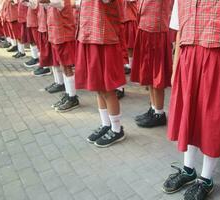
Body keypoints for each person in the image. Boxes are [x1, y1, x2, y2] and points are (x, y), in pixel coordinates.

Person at [163, 1, 220, 199]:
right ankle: (188, 170)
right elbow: (180, 30)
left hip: (218, 57)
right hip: (188, 58)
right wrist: (175, 67)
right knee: (189, 115)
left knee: (212, 118)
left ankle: (206, 179)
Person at [75, 0, 126, 147]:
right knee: (98, 87)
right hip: (88, 37)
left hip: (105, 40)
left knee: (107, 89)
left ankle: (116, 129)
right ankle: (106, 124)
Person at [130, 0, 173, 128]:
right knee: (149, 74)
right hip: (145, 29)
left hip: (156, 32)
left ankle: (159, 113)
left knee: (156, 76)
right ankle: (154, 108)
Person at [40, 0, 79, 112]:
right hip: (56, 36)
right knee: (63, 66)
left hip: (64, 36)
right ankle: (68, 93)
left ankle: (73, 97)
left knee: (67, 67)